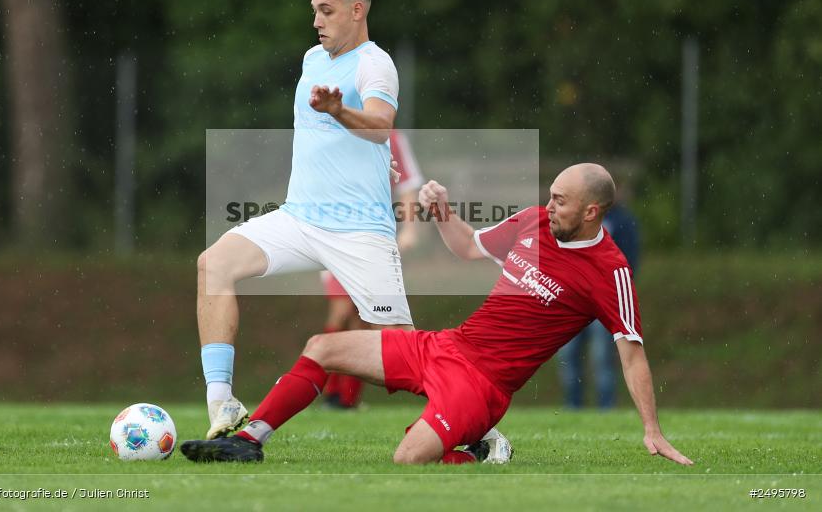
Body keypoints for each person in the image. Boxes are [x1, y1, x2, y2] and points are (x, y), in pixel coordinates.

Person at [180, 164, 694, 467]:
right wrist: (442, 210)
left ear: (591, 212)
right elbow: (469, 249)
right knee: (322, 347)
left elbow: (631, 355)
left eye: (561, 201)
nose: (549, 205)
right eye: (550, 196)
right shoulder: (534, 223)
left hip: (484, 386)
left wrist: (651, 429)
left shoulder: (610, 271)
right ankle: (249, 442)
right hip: (447, 346)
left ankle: (479, 451)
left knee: (406, 460)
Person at [195, 0, 415, 441]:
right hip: (299, 218)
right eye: (314, 9)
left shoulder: (375, 64)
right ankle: (223, 403)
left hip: (359, 230)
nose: (316, 19)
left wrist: (342, 114)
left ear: (357, 10)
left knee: (404, 352)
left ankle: (476, 424)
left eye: (326, 10)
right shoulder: (313, 58)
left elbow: (380, 126)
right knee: (214, 263)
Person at [321, 128, 424, 409]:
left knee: (362, 319)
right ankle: (325, 386)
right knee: (342, 311)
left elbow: (408, 185)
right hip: (335, 236)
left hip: (372, 239)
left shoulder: (392, 138)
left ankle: (345, 398)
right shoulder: (333, 135)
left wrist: (410, 230)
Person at [556, 195, 641, 409]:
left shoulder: (621, 221)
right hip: (571, 300)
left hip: (603, 301)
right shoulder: (573, 219)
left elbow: (630, 259)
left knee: (602, 357)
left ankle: (606, 407)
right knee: (568, 356)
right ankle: (573, 406)